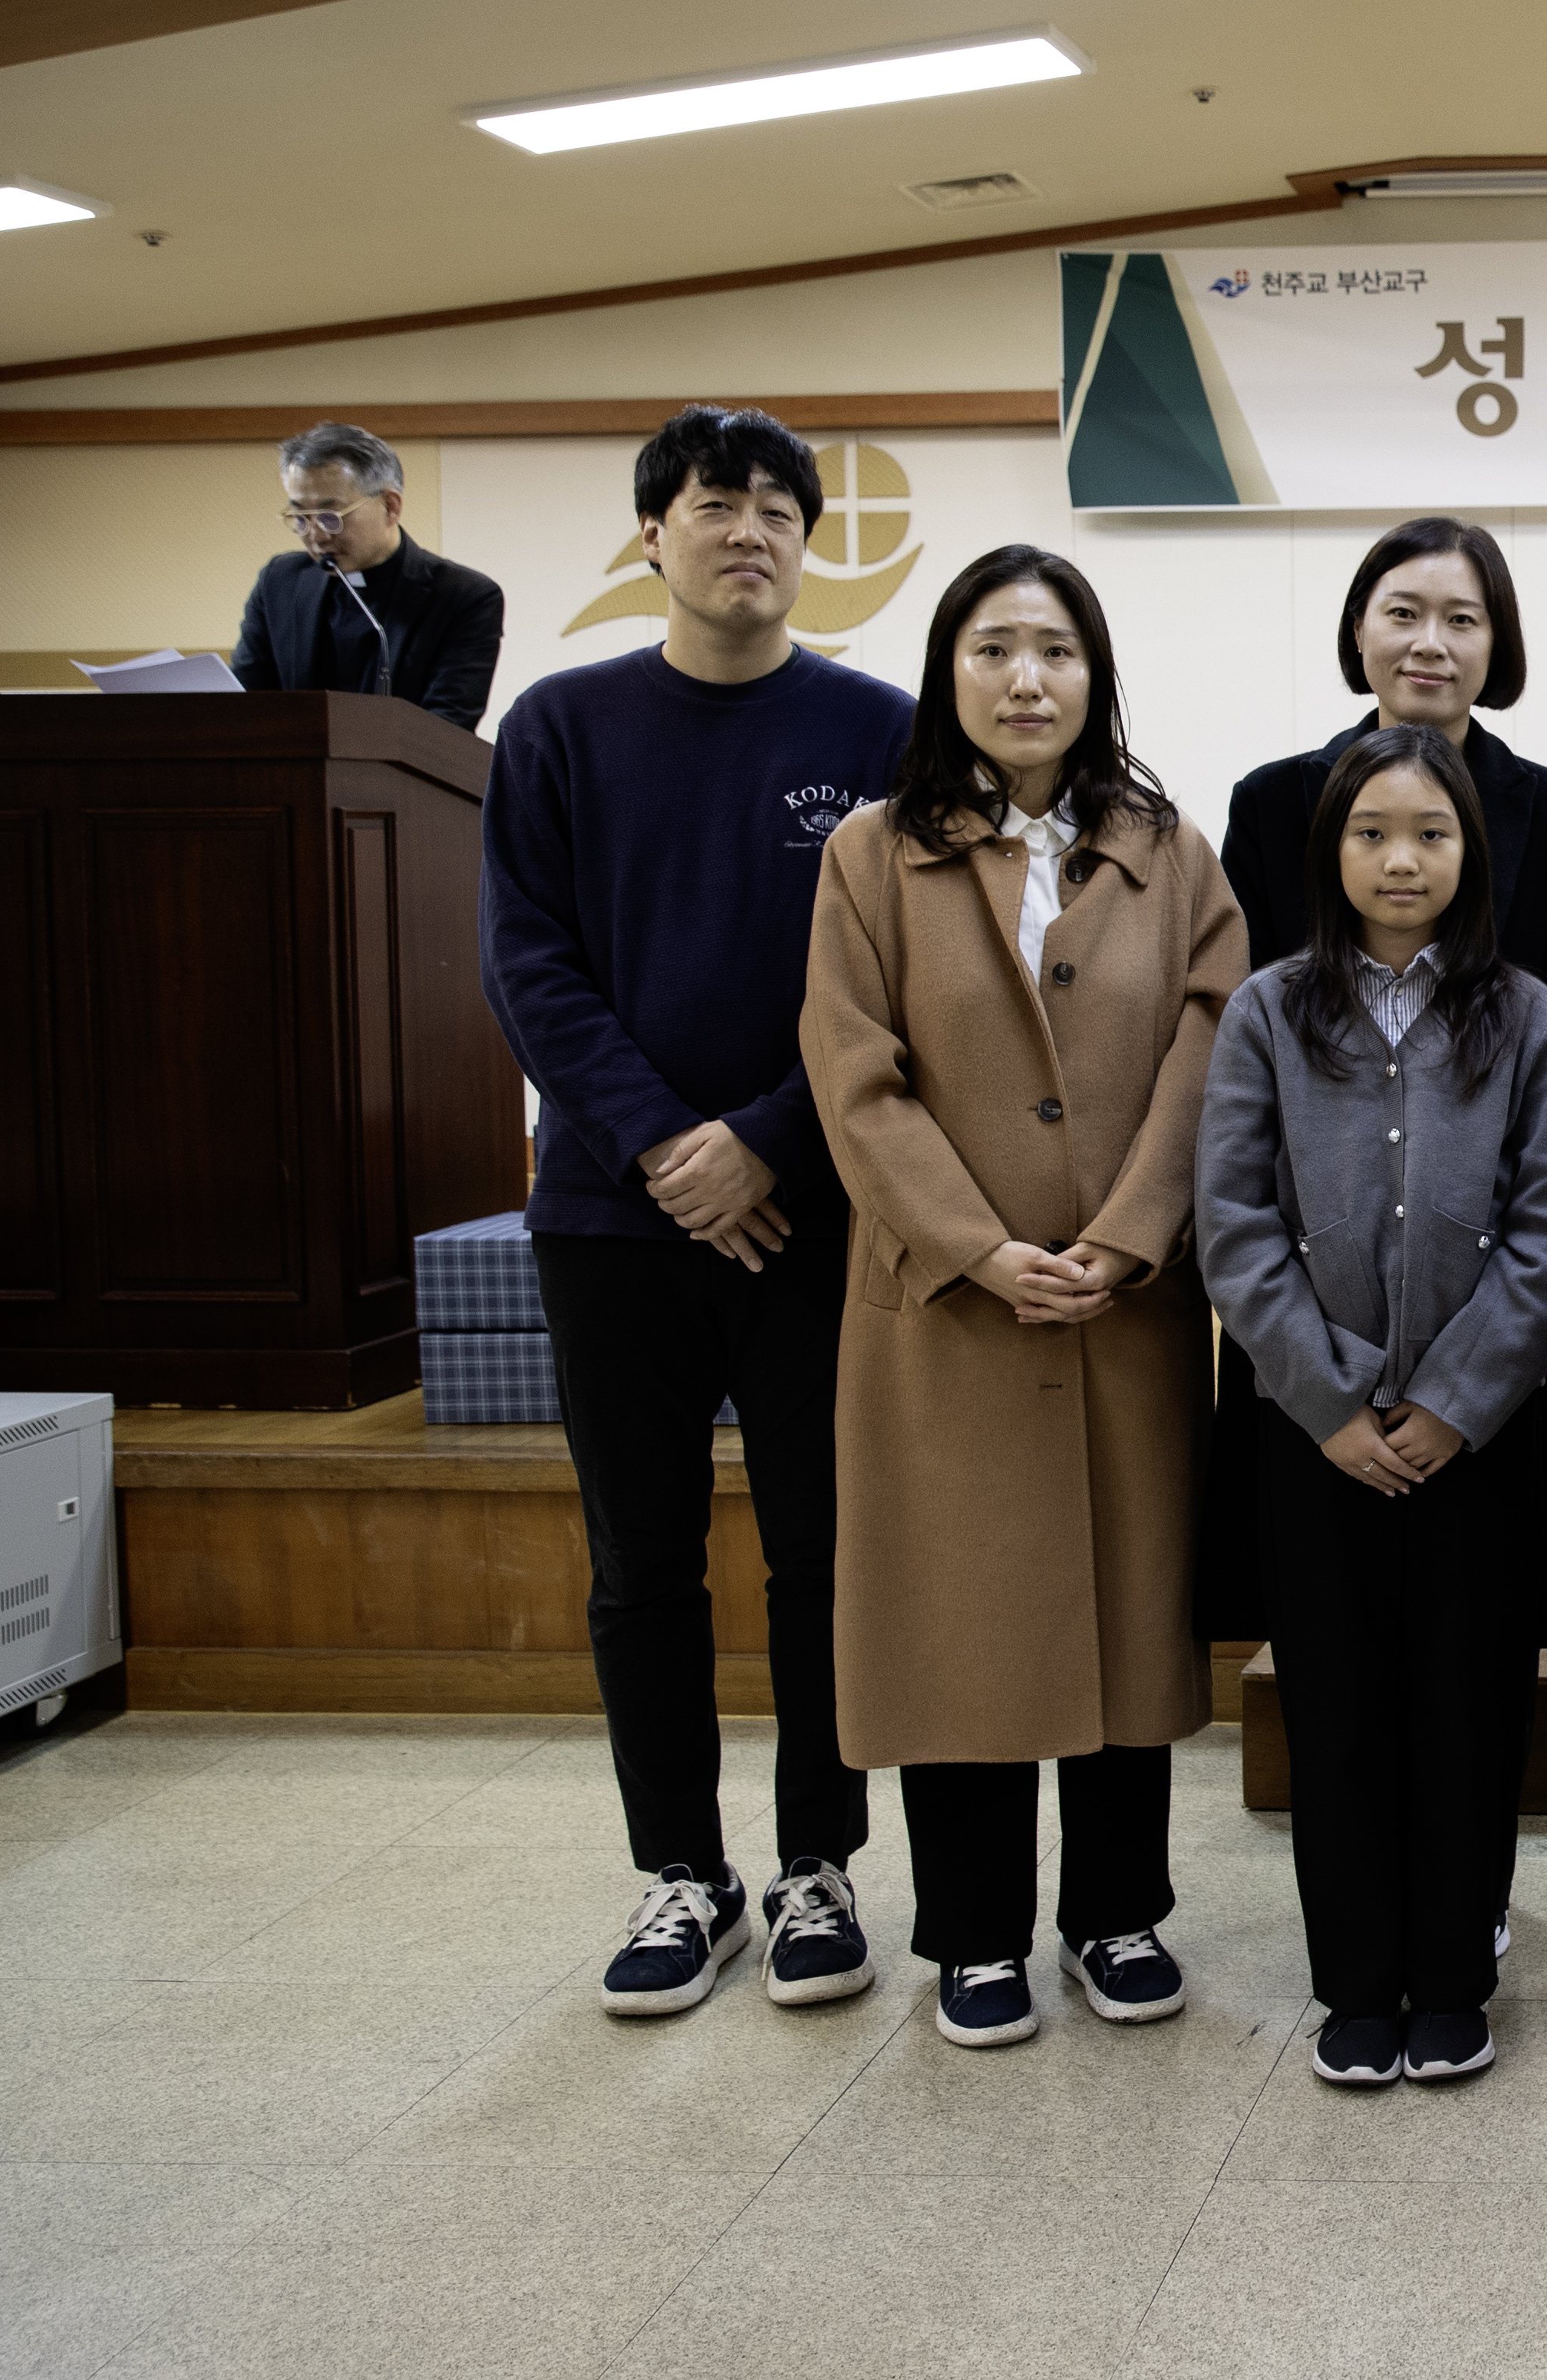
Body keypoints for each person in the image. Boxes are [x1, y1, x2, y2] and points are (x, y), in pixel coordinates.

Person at [479, 405, 911, 2017]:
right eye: (714, 505)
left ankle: (818, 1872)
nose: (749, 532)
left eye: (778, 511)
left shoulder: (875, 731)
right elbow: (530, 966)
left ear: (810, 545)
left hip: (818, 1216)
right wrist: (673, 1146)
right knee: (639, 1559)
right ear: (651, 535)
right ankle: (683, 1874)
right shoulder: (563, 726)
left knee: (824, 1551)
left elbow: (899, 990)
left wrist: (766, 1150)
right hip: (611, 1215)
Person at [800, 544, 1245, 2049]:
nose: (1027, 679)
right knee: (959, 1621)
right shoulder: (871, 854)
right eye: (993, 649)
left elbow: (1215, 1046)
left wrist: (1128, 1235)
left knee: (1130, 1613)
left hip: (1125, 1307)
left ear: (1095, 673)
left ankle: (1119, 1917)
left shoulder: (1169, 849)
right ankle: (976, 1933)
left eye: (1055, 650)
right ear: (948, 674)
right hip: (943, 1311)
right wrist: (980, 1248)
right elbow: (852, 1079)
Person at [1196, 722, 1547, 2086]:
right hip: (1318, 1440)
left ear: (1470, 848)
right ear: (1330, 851)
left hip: (1473, 1437)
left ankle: (1453, 1977)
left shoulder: (1530, 1013)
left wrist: (1447, 1401)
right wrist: (1330, 1398)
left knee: (1470, 1705)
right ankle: (1357, 1981)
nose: (1401, 856)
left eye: (1430, 830)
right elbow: (1235, 1222)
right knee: (1339, 1704)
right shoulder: (1269, 1009)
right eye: (1371, 832)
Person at [1209, 519, 1547, 1672]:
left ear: (1500, 646)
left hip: (1490, 1293)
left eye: (1462, 618)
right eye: (1402, 612)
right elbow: (1253, 1046)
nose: (1429, 642)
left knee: (1477, 1656)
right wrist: (1322, 1372)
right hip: (1315, 1292)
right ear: (1357, 630)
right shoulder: (1276, 801)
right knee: (1325, 1645)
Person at [232, 421, 504, 729]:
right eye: (300, 518)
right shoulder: (280, 581)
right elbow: (245, 701)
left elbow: (447, 725)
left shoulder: (464, 596)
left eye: (329, 517)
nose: (316, 536)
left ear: (390, 506)